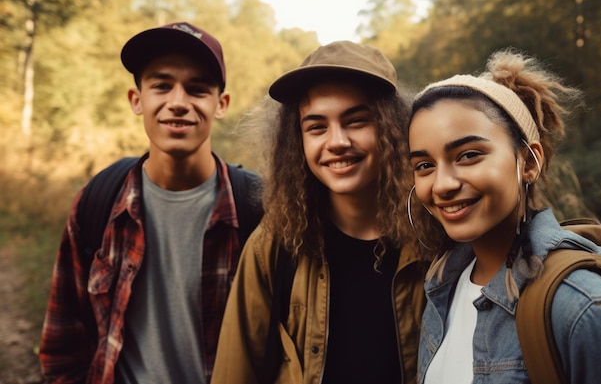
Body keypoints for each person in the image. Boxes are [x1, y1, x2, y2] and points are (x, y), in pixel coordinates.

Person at [38, 22, 262, 384]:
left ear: (221, 104)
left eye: (197, 89)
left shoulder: (258, 209)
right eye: (161, 86)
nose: (177, 102)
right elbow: (63, 344)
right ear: (136, 100)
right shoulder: (99, 202)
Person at [211, 41, 430, 384]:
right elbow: (235, 372)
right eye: (316, 127)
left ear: (391, 127)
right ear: (296, 141)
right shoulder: (274, 246)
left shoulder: (433, 236)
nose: (337, 141)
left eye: (356, 121)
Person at [407, 48, 601, 383]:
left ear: (527, 161)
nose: (443, 185)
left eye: (468, 155)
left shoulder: (585, 309)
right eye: (424, 165)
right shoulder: (441, 287)